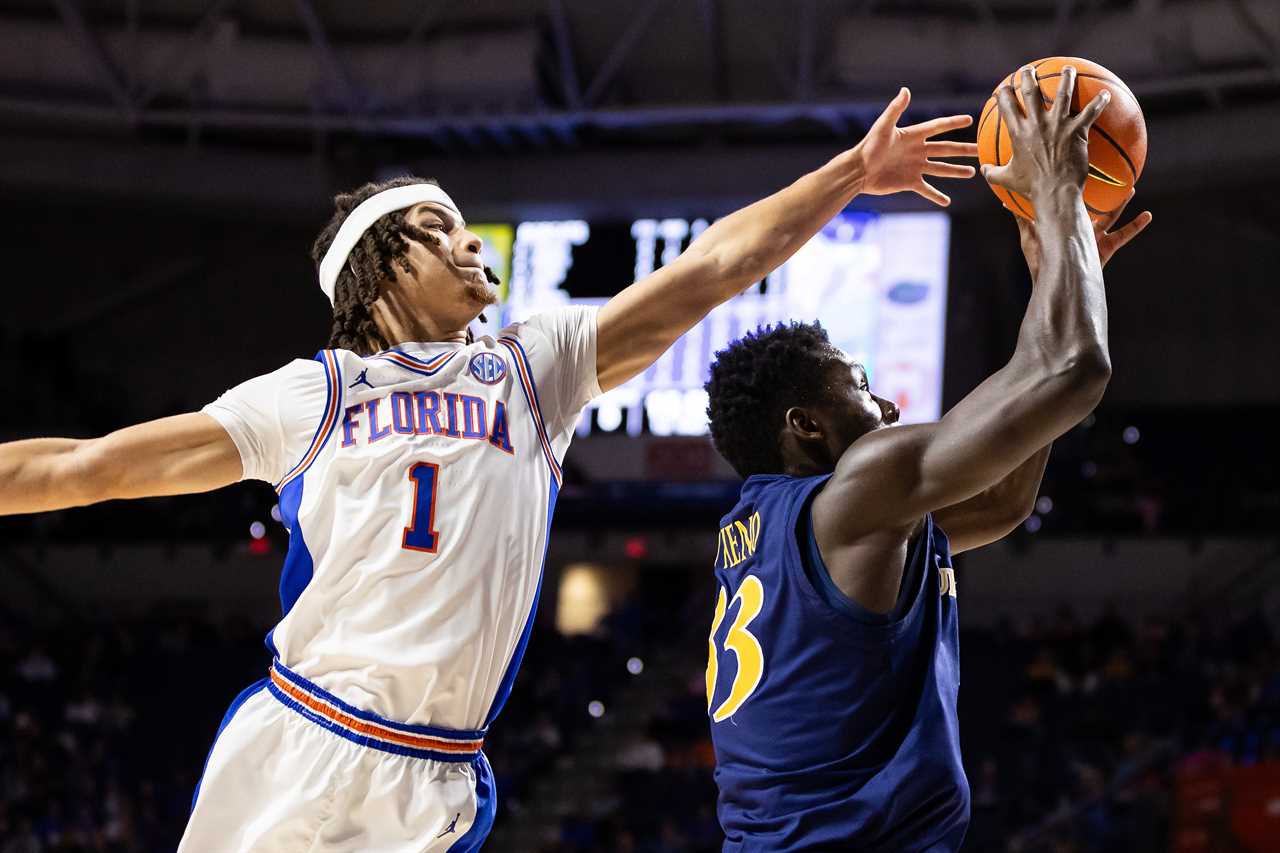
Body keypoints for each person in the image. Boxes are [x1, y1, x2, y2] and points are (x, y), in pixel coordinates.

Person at [0, 89, 978, 851]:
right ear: (377, 272)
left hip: (441, 775)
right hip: (307, 748)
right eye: (435, 229)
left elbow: (711, 270)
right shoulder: (313, 394)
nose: (467, 241)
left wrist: (850, 171)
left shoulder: (528, 366)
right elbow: (83, 468)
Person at [701, 66, 1153, 852]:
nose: (889, 409)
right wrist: (1059, 199)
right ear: (806, 425)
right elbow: (1072, 369)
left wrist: (1056, 272)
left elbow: (1006, 499)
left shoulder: (786, 528)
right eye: (863, 387)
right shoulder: (855, 495)